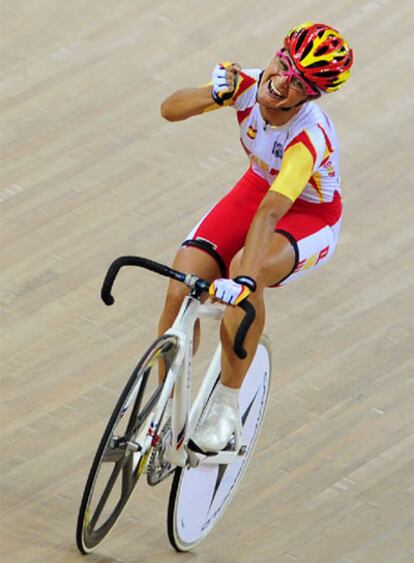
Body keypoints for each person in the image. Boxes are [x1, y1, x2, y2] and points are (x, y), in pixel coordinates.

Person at [158, 22, 353, 453]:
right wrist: (213, 93)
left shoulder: (309, 137)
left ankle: (227, 403)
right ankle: (161, 408)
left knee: (251, 269)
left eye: (298, 83)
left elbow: (271, 213)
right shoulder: (245, 84)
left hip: (306, 213)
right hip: (258, 186)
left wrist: (242, 283)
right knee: (181, 282)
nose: (282, 81)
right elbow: (169, 110)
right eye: (283, 64)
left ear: (309, 96)